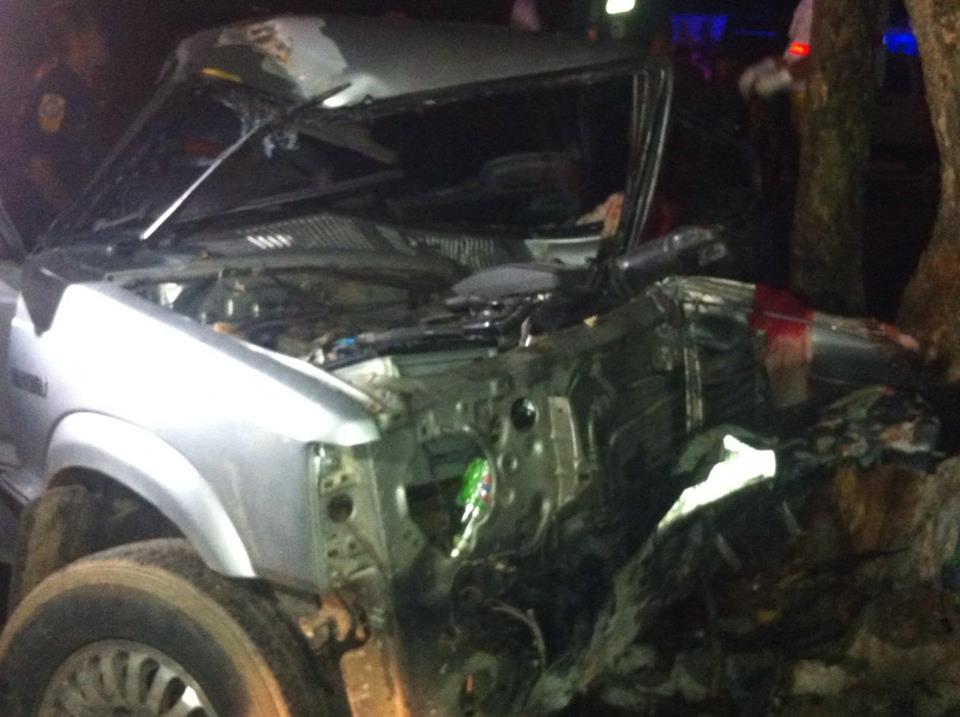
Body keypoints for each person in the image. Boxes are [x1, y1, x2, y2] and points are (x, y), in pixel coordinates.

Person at [9, 0, 109, 244]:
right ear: (78, 39)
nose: (105, 39)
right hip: (50, 229)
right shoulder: (57, 93)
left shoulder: (84, 88)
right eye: (97, 31)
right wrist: (78, 218)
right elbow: (39, 167)